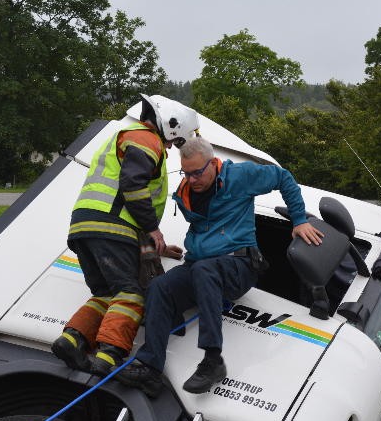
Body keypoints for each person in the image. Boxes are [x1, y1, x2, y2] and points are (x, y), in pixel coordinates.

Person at [117, 136, 323, 397]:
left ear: (213, 163)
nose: (192, 179)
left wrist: (299, 220)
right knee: (160, 285)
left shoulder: (240, 175)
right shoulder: (185, 193)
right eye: (186, 173)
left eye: (197, 173)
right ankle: (150, 368)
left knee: (205, 270)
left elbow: (283, 177)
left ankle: (213, 361)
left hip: (239, 265)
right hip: (199, 265)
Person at [51, 94, 198, 376]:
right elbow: (133, 186)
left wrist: (158, 245)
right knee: (131, 294)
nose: (170, 146)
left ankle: (71, 340)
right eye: (175, 140)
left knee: (107, 293)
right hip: (112, 227)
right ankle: (109, 355)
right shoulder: (146, 139)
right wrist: (153, 228)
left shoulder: (124, 136)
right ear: (170, 125)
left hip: (86, 226)